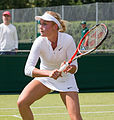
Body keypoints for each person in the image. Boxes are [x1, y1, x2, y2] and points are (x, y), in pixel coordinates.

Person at [17, 11, 82, 120]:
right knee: (22, 103)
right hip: (45, 78)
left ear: (55, 26)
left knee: (76, 118)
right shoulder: (39, 41)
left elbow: (74, 67)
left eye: (45, 24)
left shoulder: (68, 40)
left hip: (66, 80)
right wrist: (49, 73)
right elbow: (28, 69)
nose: (40, 27)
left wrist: (69, 68)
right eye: (40, 23)